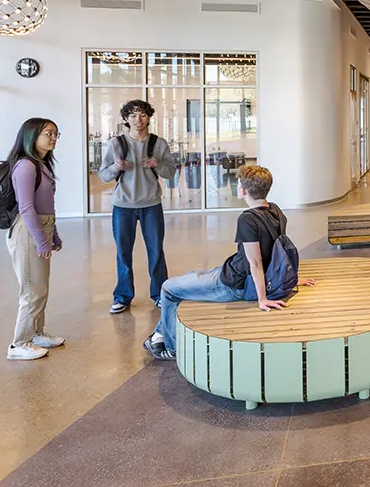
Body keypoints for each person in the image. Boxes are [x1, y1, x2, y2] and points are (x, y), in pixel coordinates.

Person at [143, 165, 315, 360]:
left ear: (243, 190)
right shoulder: (275, 210)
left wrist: (262, 299)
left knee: (168, 289)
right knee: (190, 278)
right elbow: (278, 252)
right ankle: (158, 336)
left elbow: (256, 262)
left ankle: (171, 348)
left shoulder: (248, 220)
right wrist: (292, 278)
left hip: (235, 284)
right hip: (233, 271)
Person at [98, 99, 177, 314]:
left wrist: (157, 164)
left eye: (142, 114)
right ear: (125, 119)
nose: (138, 119)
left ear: (148, 117)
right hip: (123, 206)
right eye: (132, 115)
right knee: (123, 252)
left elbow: (170, 172)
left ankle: (160, 293)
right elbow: (103, 175)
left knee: (156, 250)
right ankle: (122, 296)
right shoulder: (117, 144)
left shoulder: (158, 144)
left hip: (151, 204)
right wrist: (117, 166)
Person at [5, 118, 65, 360]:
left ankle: (36, 333)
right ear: (32, 136)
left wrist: (54, 234)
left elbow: (46, 205)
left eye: (56, 134)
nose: (53, 138)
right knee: (32, 290)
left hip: (41, 228)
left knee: (40, 287)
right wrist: (41, 240)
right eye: (48, 133)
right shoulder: (26, 166)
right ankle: (19, 343)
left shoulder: (42, 164)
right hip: (28, 232)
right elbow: (27, 208)